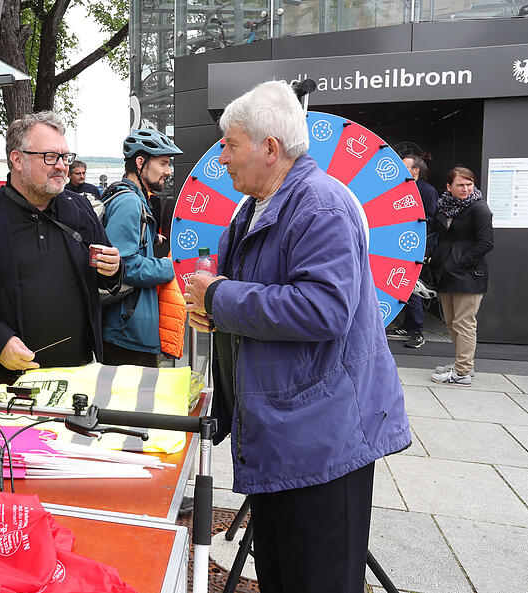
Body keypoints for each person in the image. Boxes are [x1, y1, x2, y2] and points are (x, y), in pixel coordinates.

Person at [183, 81, 411, 593]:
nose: (222, 157)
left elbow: (324, 310)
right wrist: (218, 314)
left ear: (270, 148)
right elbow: (265, 299)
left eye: (230, 144)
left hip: (322, 440)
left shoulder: (320, 205)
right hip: (287, 435)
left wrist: (220, 298)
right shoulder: (258, 207)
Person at [0, 111, 122, 391]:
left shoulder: (80, 208)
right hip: (1, 384)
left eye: (65, 157)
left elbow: (104, 271)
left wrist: (113, 269)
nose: (62, 166)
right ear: (17, 159)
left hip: (78, 378)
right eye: (50, 157)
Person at [101, 129, 180, 367]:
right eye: (163, 163)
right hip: (127, 332)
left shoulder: (134, 199)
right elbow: (124, 266)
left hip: (129, 327)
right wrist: (172, 267)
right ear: (140, 162)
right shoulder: (129, 203)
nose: (168, 171)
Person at [429, 166, 493, 386]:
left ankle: (462, 372)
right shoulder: (444, 206)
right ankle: (462, 363)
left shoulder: (479, 208)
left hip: (468, 275)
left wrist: (461, 263)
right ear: (449, 187)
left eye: (469, 184)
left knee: (464, 323)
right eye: (460, 185)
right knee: (451, 323)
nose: (466, 189)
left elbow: (486, 242)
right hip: (446, 273)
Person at [396, 154, 439, 348]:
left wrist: (427, 250)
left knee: (411, 286)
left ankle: (417, 331)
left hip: (417, 246)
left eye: (404, 165)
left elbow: (431, 222)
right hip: (399, 243)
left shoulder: (427, 191)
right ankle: (408, 325)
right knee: (402, 283)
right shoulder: (398, 187)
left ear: (416, 170)